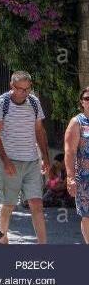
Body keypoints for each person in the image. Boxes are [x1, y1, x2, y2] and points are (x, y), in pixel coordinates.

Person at [0, 71, 49, 244]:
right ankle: (3, 238)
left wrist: (45, 157)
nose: (24, 92)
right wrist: (5, 161)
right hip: (10, 161)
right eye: (20, 89)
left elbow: (39, 130)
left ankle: (43, 245)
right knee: (8, 204)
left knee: (37, 204)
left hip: (31, 161)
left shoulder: (34, 102)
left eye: (27, 89)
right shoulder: (2, 103)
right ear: (11, 86)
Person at [64, 86, 89, 243]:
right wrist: (70, 178)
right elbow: (69, 152)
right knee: (87, 215)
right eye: (87, 98)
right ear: (82, 102)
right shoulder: (77, 122)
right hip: (85, 180)